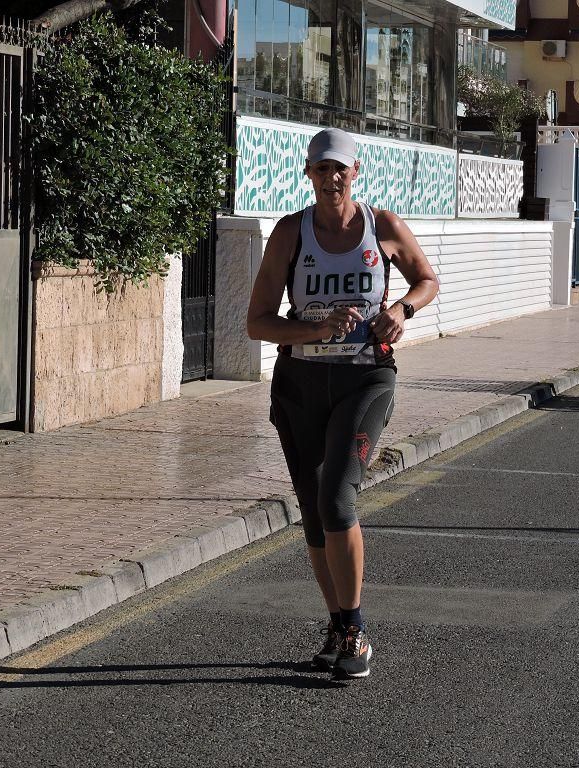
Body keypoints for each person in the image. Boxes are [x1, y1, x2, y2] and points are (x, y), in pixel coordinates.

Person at [246, 127, 439, 679]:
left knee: (337, 499)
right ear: (308, 175)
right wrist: (312, 330)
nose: (331, 179)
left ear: (356, 174)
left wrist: (402, 310)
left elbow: (427, 279)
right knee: (312, 511)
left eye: (340, 170)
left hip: (365, 381)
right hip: (301, 383)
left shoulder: (383, 227)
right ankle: (336, 620)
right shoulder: (291, 233)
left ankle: (354, 630)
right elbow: (257, 321)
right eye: (320, 170)